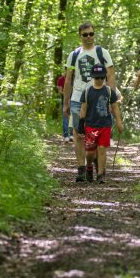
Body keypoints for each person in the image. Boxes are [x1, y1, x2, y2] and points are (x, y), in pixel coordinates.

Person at [63, 22, 116, 182]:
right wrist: (66, 103)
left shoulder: (102, 52)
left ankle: (96, 167)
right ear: (80, 35)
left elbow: (111, 76)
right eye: (85, 34)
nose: (88, 37)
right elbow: (68, 80)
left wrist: (111, 99)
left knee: (96, 135)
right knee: (78, 134)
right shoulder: (73, 55)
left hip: (99, 98)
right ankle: (81, 169)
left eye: (91, 34)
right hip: (77, 98)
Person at [77, 64, 123, 183]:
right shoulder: (87, 92)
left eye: (102, 77)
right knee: (90, 152)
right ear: (93, 77)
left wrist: (119, 122)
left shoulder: (109, 91)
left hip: (105, 125)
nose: (99, 80)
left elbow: (115, 107)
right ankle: (89, 167)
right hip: (91, 126)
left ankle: (100, 174)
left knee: (102, 149)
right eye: (97, 77)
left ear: (104, 78)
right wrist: (80, 125)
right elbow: (83, 108)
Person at [56, 70, 72, 142]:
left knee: (73, 118)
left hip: (73, 101)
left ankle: (72, 135)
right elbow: (60, 90)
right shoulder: (61, 79)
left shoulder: (73, 79)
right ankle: (66, 135)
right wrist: (66, 94)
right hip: (64, 101)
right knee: (65, 117)